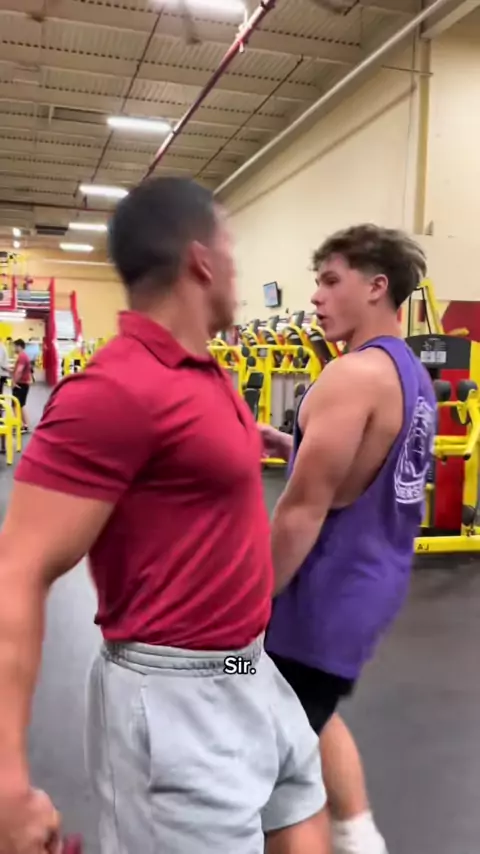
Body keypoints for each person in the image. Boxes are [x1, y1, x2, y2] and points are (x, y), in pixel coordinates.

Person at [0, 178, 329, 854]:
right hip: (174, 697)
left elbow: (181, 447)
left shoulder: (203, 373)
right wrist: (6, 784)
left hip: (246, 668)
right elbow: (17, 572)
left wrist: (254, 441)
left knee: (305, 818)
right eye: (231, 247)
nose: (238, 268)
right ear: (202, 260)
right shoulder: (112, 390)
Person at [260, 225, 437, 854]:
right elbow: (365, 474)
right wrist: (295, 445)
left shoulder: (351, 376)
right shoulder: (411, 377)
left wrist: (246, 607)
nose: (316, 296)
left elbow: (301, 513)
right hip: (366, 595)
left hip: (315, 604)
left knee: (263, 766)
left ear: (376, 286)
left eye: (331, 281)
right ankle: (358, 835)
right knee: (310, 709)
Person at [11, 338, 32, 432]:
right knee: (20, 405)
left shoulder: (22, 356)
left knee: (16, 405)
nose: (14, 348)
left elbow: (19, 371)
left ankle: (21, 425)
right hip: (23, 383)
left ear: (19, 346)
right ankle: (24, 425)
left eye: (15, 346)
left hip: (20, 384)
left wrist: (14, 382)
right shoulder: (23, 356)